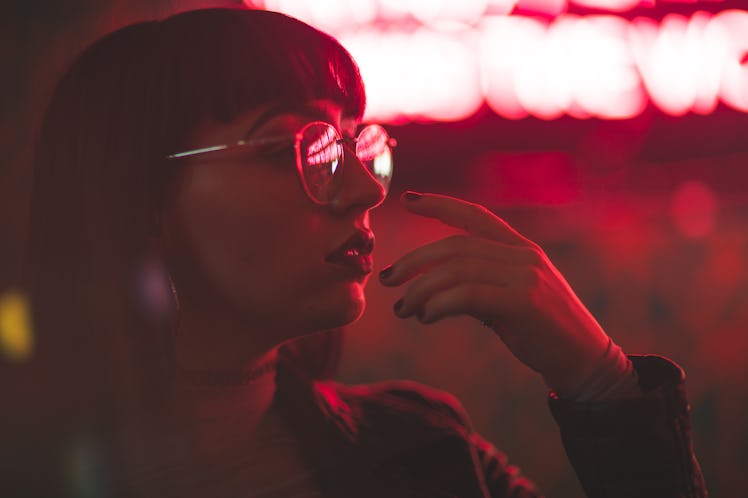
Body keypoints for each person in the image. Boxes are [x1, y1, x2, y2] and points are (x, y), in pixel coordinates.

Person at [22, 6, 706, 497]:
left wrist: (601, 381)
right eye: (301, 149)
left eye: (356, 146)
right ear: (143, 201)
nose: (361, 192)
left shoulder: (425, 453)